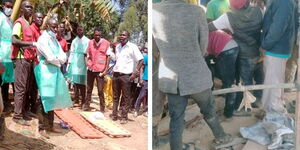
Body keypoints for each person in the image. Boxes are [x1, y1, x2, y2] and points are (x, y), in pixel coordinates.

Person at [153, 0, 234, 149]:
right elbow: (203, 46)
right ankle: (221, 137)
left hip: (170, 77)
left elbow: (154, 50)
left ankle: (176, 147)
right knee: (209, 109)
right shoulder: (196, 11)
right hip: (195, 73)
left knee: (176, 117)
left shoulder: (154, 11)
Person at [208, 0, 263, 115]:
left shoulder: (228, 17)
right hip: (259, 50)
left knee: (245, 80)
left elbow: (208, 27)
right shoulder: (259, 11)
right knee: (259, 77)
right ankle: (257, 100)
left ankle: (243, 107)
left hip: (243, 53)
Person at [35, 18, 73, 138]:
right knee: (44, 98)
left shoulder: (54, 40)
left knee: (52, 98)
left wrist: (57, 59)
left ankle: (50, 125)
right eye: (53, 26)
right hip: (45, 72)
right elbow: (50, 57)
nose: (55, 29)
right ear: (47, 26)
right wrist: (58, 60)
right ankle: (41, 128)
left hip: (54, 72)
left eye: (57, 27)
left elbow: (63, 56)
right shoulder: (43, 39)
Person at [261, 0, 295, 116]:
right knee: (276, 80)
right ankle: (272, 109)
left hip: (276, 48)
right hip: (277, 47)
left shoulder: (283, 2)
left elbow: (277, 28)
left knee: (273, 82)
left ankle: (275, 112)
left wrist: (265, 45)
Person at [11, 0, 37, 125]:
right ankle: (17, 116)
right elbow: (14, 40)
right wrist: (31, 44)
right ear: (21, 9)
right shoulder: (19, 23)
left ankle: (23, 112)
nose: (30, 9)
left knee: (25, 88)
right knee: (20, 89)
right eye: (27, 7)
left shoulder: (27, 23)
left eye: (31, 7)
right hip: (21, 59)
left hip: (27, 60)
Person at [109, 31, 143, 124]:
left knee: (126, 97)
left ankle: (124, 116)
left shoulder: (132, 47)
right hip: (116, 74)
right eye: (120, 35)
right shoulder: (118, 47)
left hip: (126, 76)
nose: (121, 36)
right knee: (115, 96)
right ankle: (114, 114)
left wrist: (135, 73)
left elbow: (140, 60)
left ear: (128, 37)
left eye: (124, 35)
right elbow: (117, 60)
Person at [207, 31, 239, 119]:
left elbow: (205, 55)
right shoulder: (207, 30)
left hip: (226, 50)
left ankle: (228, 113)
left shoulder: (200, 35)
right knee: (227, 77)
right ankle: (223, 93)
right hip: (233, 46)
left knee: (229, 83)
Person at [84, 28, 110, 112]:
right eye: (96, 35)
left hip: (100, 71)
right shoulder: (90, 42)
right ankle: (87, 105)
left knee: (100, 90)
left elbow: (108, 56)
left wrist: (106, 70)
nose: (97, 36)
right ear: (93, 35)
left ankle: (102, 108)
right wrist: (86, 63)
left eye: (99, 35)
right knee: (89, 89)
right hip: (91, 69)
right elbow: (85, 53)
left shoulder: (106, 43)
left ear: (101, 35)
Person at [23, 12, 44, 116]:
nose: (41, 19)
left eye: (42, 18)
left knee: (34, 87)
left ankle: (32, 109)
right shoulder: (31, 29)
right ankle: (25, 109)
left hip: (37, 62)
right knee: (28, 87)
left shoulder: (40, 31)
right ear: (34, 19)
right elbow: (29, 46)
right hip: (30, 61)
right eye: (38, 17)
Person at [67, 26, 89, 106]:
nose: (79, 31)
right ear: (77, 31)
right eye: (78, 30)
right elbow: (71, 52)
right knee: (75, 83)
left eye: (81, 30)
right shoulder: (74, 41)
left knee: (82, 83)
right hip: (75, 63)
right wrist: (69, 63)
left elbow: (88, 53)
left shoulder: (87, 40)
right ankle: (76, 99)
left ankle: (83, 100)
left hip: (83, 63)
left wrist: (88, 64)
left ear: (83, 30)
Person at [0, 0, 11, 140]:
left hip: (5, 58)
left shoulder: (8, 20)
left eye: (11, 7)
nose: (9, 9)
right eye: (7, 7)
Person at [134, 44, 148, 117]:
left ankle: (146, 110)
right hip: (145, 79)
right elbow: (141, 68)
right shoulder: (145, 57)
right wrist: (141, 78)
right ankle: (136, 110)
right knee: (141, 95)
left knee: (149, 97)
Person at [103, 42, 118, 109]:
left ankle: (111, 102)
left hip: (114, 75)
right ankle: (106, 102)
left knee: (112, 90)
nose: (116, 48)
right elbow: (107, 63)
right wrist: (105, 73)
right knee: (107, 88)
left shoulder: (118, 54)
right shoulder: (110, 54)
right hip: (108, 73)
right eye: (115, 47)